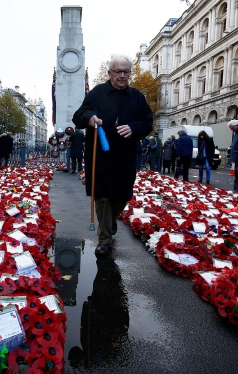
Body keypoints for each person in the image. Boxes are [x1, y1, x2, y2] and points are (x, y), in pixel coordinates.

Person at [72, 54, 153, 256]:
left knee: (123, 196)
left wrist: (134, 128)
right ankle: (105, 239)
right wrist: (89, 118)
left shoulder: (137, 97)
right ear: (110, 73)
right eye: (118, 71)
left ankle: (109, 222)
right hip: (100, 157)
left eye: (126, 72)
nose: (122, 75)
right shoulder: (97, 93)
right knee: (102, 198)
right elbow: (79, 115)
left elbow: (147, 122)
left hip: (125, 157)